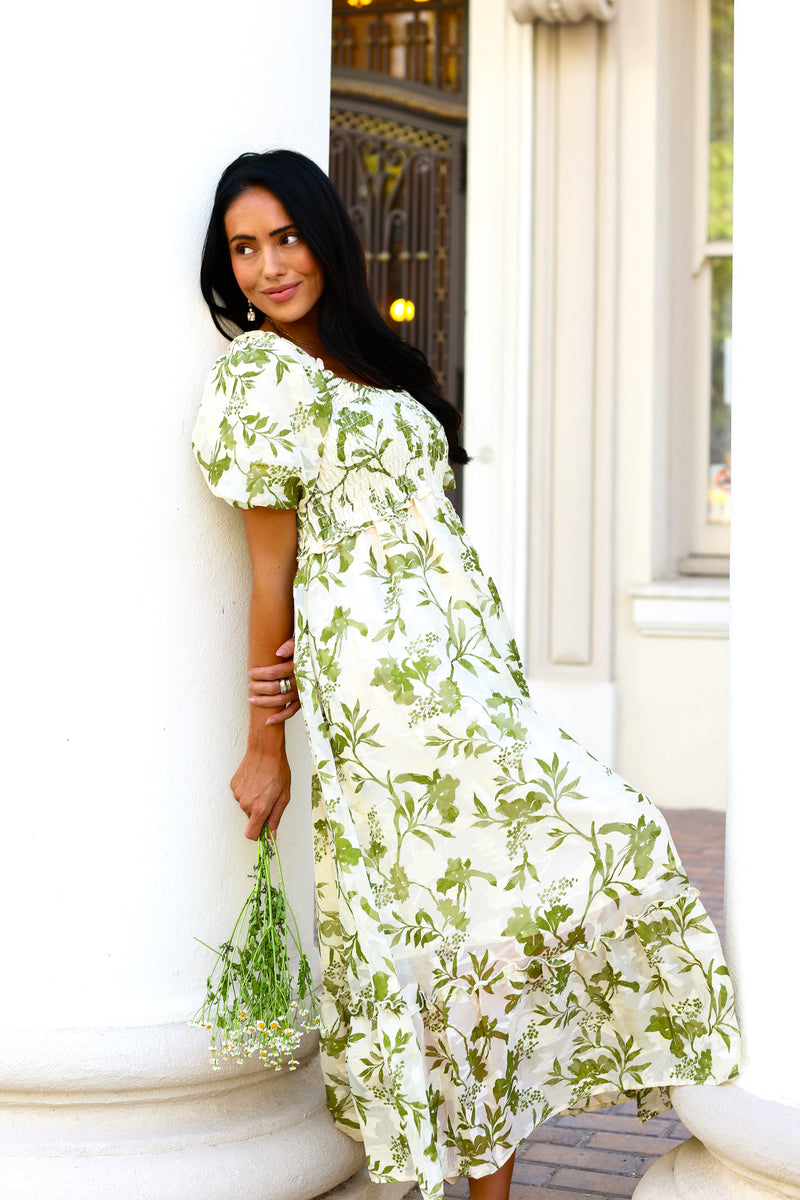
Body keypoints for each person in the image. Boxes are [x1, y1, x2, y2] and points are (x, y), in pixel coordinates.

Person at [193, 149, 739, 1200]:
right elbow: (271, 571)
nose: (269, 266)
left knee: (506, 908)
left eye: (286, 237)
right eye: (244, 249)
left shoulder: (370, 360)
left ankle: (493, 1178)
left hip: (467, 675)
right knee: (505, 893)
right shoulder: (260, 376)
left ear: (325, 236)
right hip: (382, 687)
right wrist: (266, 742)